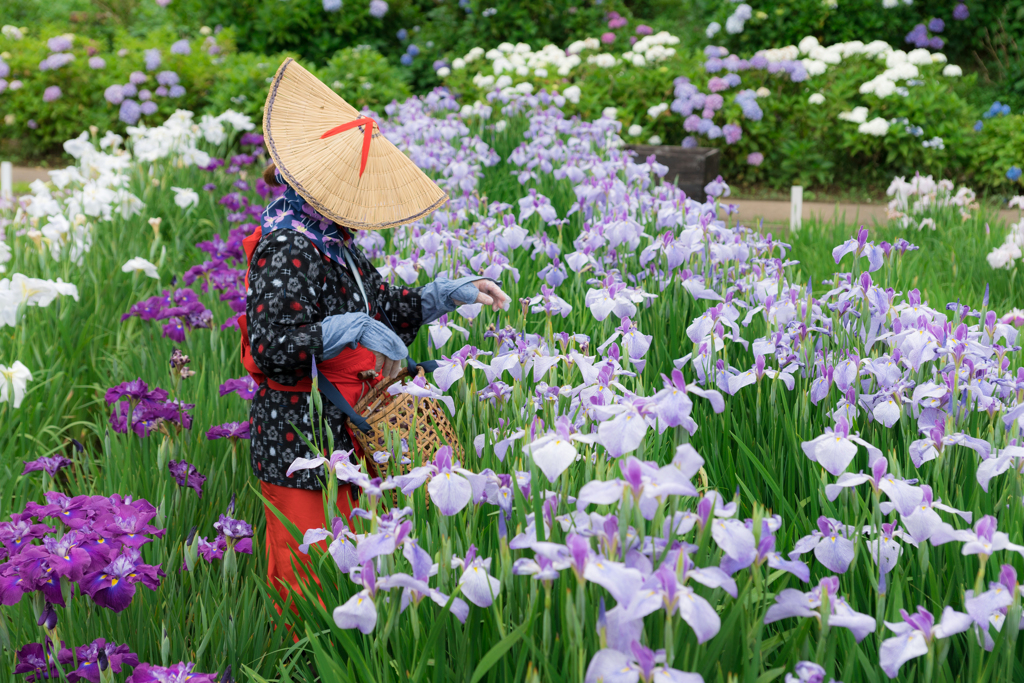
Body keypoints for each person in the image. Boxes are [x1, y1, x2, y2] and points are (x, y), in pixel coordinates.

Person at [240, 58, 509, 606]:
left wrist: (448, 294)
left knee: (349, 567)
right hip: (298, 431)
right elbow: (270, 349)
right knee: (306, 577)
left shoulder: (335, 242)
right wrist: (346, 328)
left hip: (344, 430)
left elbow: (383, 305)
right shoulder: (289, 245)